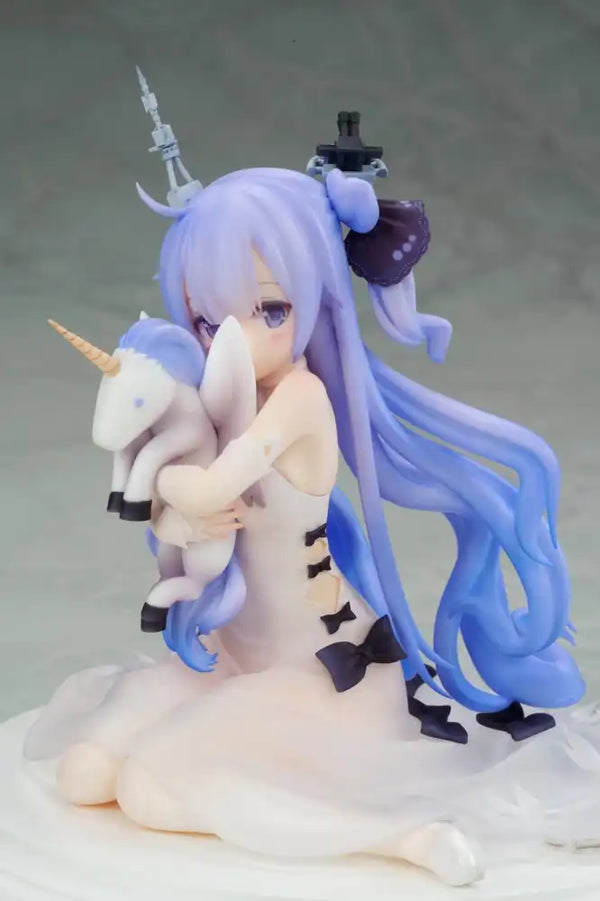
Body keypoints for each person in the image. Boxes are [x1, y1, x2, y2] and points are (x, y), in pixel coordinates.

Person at [25, 165, 598, 888]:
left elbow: (207, 486)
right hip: (237, 655)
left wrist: (164, 479)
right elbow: (184, 513)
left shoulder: (298, 400)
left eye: (269, 309)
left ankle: (403, 837)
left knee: (151, 789)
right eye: (208, 321)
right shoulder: (218, 392)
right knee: (84, 773)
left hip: (325, 674)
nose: (236, 337)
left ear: (316, 301)